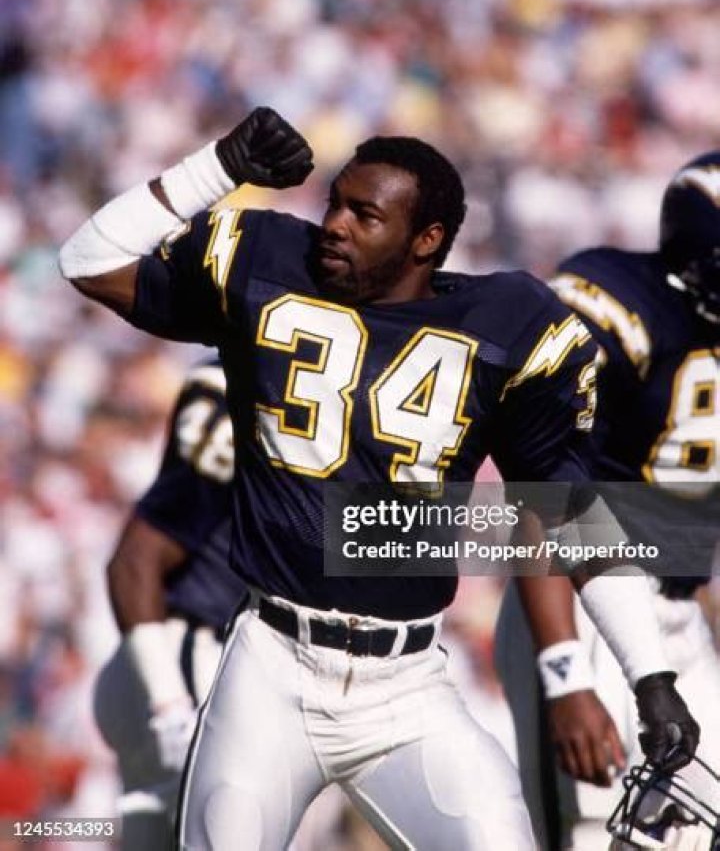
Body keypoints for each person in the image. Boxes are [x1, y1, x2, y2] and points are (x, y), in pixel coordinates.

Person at [59, 106, 699, 850]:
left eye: (364, 215)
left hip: (407, 687)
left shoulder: (505, 326)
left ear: (426, 240)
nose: (333, 225)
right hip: (271, 667)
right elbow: (90, 260)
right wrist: (219, 166)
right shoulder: (269, 267)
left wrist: (651, 676)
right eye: (334, 203)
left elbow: (568, 512)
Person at [495, 151, 720, 850]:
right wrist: (565, 674)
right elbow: (548, 494)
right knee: (591, 831)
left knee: (697, 827)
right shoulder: (621, 302)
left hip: (681, 615)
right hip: (588, 604)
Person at [93, 358, 247, 849]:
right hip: (187, 660)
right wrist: (170, 702)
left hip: (196, 663)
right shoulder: (240, 385)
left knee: (151, 837)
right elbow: (134, 559)